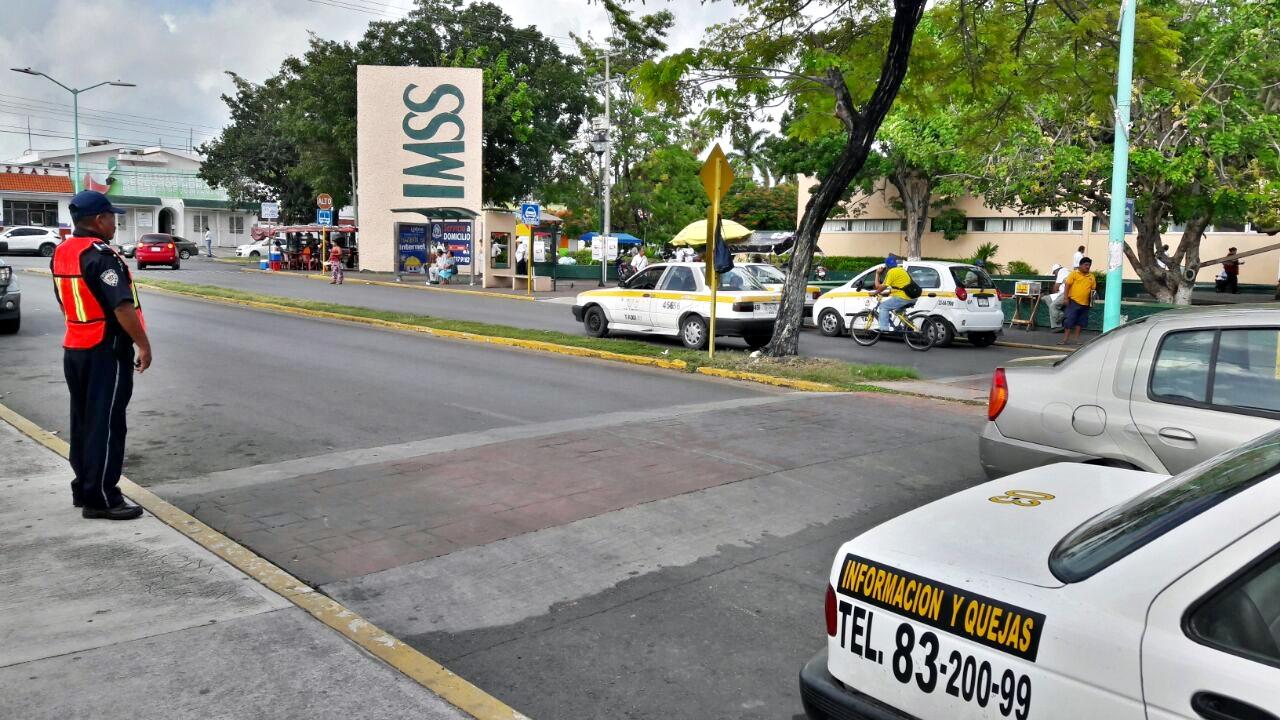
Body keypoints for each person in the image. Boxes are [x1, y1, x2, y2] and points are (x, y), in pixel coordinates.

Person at [52, 191, 152, 520]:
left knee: (83, 420)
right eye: (112, 217)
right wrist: (143, 344)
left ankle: (84, 487)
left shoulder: (62, 252)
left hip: (75, 346)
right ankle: (103, 497)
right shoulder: (102, 256)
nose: (114, 223)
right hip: (104, 349)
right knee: (108, 423)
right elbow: (121, 307)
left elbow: (64, 299)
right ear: (98, 220)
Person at [1060, 256, 1096, 346]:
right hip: (1073, 301)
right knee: (1069, 321)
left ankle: (1077, 339)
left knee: (1080, 322)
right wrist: (1066, 298)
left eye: (1089, 265)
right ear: (1080, 265)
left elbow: (1093, 290)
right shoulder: (1074, 274)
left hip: (1085, 303)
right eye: (1086, 265)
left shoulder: (1091, 276)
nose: (1087, 267)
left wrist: (1092, 301)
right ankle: (1065, 340)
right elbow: (1067, 286)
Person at [873, 255, 914, 332]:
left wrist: (877, 274)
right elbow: (899, 286)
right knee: (898, 311)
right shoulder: (901, 270)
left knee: (883, 307)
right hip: (912, 296)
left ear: (886, 266)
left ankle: (884, 328)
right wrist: (888, 293)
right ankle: (909, 326)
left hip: (904, 297)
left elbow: (879, 287)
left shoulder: (891, 272)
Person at [1047, 262, 1070, 332]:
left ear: (1056, 270)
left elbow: (1056, 286)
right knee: (1046, 298)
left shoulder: (1062, 271)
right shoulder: (1066, 271)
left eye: (1054, 273)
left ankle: (1063, 316)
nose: (1055, 275)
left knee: (1052, 306)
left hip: (1065, 293)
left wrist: (1053, 292)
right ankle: (1055, 325)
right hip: (1062, 293)